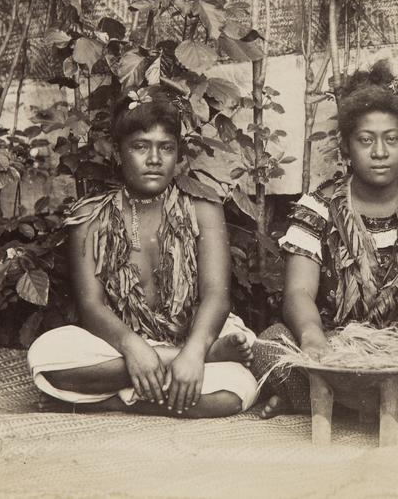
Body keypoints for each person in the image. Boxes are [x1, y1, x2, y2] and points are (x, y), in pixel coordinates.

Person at [251, 61, 398, 417]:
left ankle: (328, 406)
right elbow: (299, 292)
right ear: (346, 147)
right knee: (269, 345)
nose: (380, 152)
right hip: (337, 348)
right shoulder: (319, 206)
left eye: (392, 139)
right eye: (366, 140)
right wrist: (312, 336)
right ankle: (394, 410)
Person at [27, 89, 258, 417]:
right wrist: (133, 346)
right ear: (119, 153)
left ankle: (113, 398)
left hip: (196, 335)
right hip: (121, 342)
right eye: (140, 147)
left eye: (166, 148)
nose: (154, 159)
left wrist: (193, 352)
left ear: (178, 155)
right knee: (45, 356)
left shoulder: (203, 208)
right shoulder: (90, 216)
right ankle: (174, 365)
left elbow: (216, 297)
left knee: (234, 392)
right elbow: (90, 306)